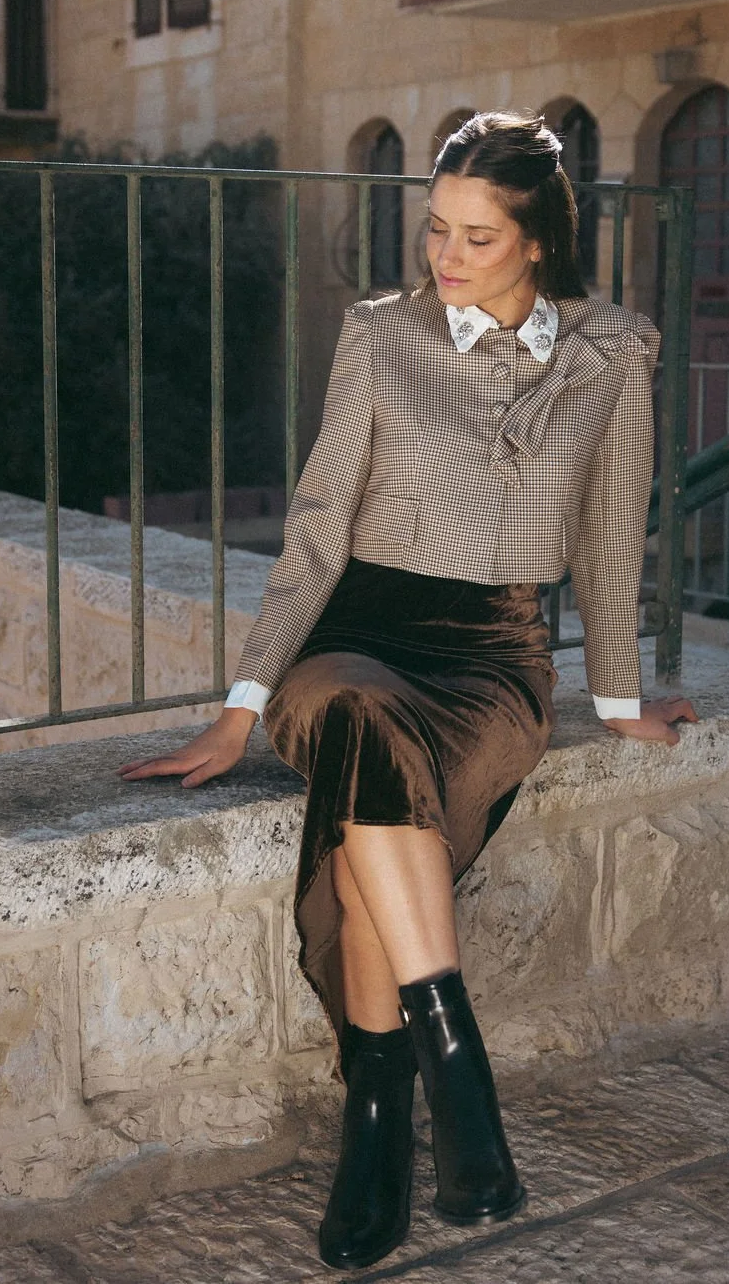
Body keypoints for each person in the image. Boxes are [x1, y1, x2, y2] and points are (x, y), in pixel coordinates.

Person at [118, 111, 696, 1271]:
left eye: (476, 236)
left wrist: (624, 698)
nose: (444, 254)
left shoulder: (613, 351)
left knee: (372, 783)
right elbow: (321, 521)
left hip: (493, 655)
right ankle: (455, 1070)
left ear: (536, 240)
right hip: (354, 637)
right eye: (436, 227)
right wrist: (243, 700)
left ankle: (375, 1117)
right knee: (356, 714)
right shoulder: (381, 334)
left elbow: (608, 538)